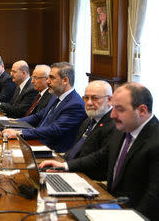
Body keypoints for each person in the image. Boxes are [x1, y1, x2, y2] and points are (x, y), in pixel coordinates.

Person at [40, 83, 159, 220]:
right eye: (113, 107)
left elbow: (153, 198)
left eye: (119, 109)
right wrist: (65, 166)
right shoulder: (124, 128)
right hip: (112, 206)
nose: (113, 114)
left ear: (142, 110)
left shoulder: (155, 141)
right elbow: (100, 157)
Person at [3, 62, 86, 152]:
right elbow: (37, 117)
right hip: (37, 143)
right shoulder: (55, 96)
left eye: (52, 78)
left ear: (65, 80)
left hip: (53, 152)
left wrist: (20, 133)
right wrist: (12, 123)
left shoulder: (75, 104)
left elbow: (54, 130)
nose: (47, 81)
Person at [64, 80, 115, 165]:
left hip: (88, 175)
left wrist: (66, 166)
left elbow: (100, 160)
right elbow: (76, 149)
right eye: (86, 98)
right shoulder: (88, 120)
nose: (89, 103)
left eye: (95, 98)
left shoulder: (114, 125)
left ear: (109, 100)